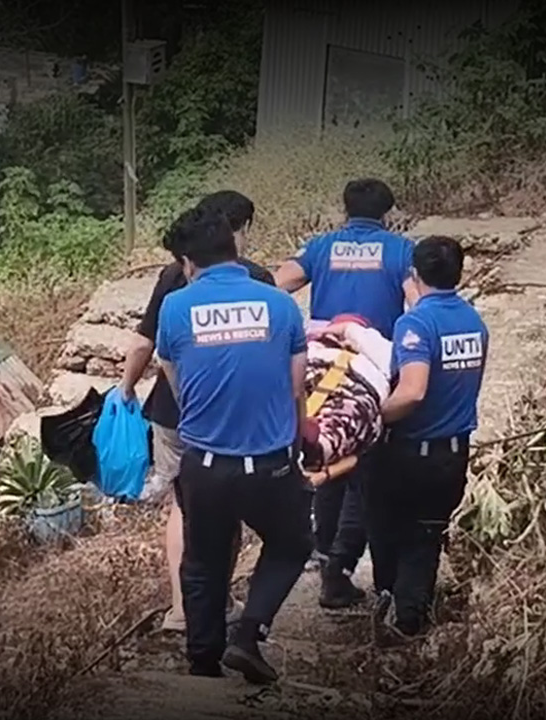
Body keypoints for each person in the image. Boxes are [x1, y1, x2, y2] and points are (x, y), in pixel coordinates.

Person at [156, 204, 312, 684]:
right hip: (270, 464)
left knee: (203, 561)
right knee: (291, 544)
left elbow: (176, 382)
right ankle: (248, 636)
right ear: (234, 248)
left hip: (205, 465)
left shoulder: (175, 307)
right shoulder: (280, 304)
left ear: (187, 262)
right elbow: (296, 386)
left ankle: (203, 663)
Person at [116, 190, 274, 634]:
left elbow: (145, 342)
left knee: (183, 506)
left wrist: (126, 389)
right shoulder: (258, 280)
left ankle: (182, 608)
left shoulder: (174, 274)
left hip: (173, 412)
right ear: (241, 230)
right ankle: (216, 602)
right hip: (232, 416)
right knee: (227, 506)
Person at [273, 177, 416, 609]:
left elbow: (277, 284)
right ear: (387, 214)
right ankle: (340, 566)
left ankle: (323, 553)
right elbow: (416, 302)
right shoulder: (399, 250)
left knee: (326, 452)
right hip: (369, 369)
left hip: (320, 364)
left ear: (345, 210)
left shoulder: (322, 247)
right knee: (366, 463)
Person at [369, 235, 488, 645]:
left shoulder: (416, 323)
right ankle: (411, 617)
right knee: (425, 537)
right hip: (453, 454)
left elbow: (413, 391)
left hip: (411, 453)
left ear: (415, 274)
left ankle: (398, 616)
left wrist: (372, 417)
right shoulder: (474, 322)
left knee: (389, 530)